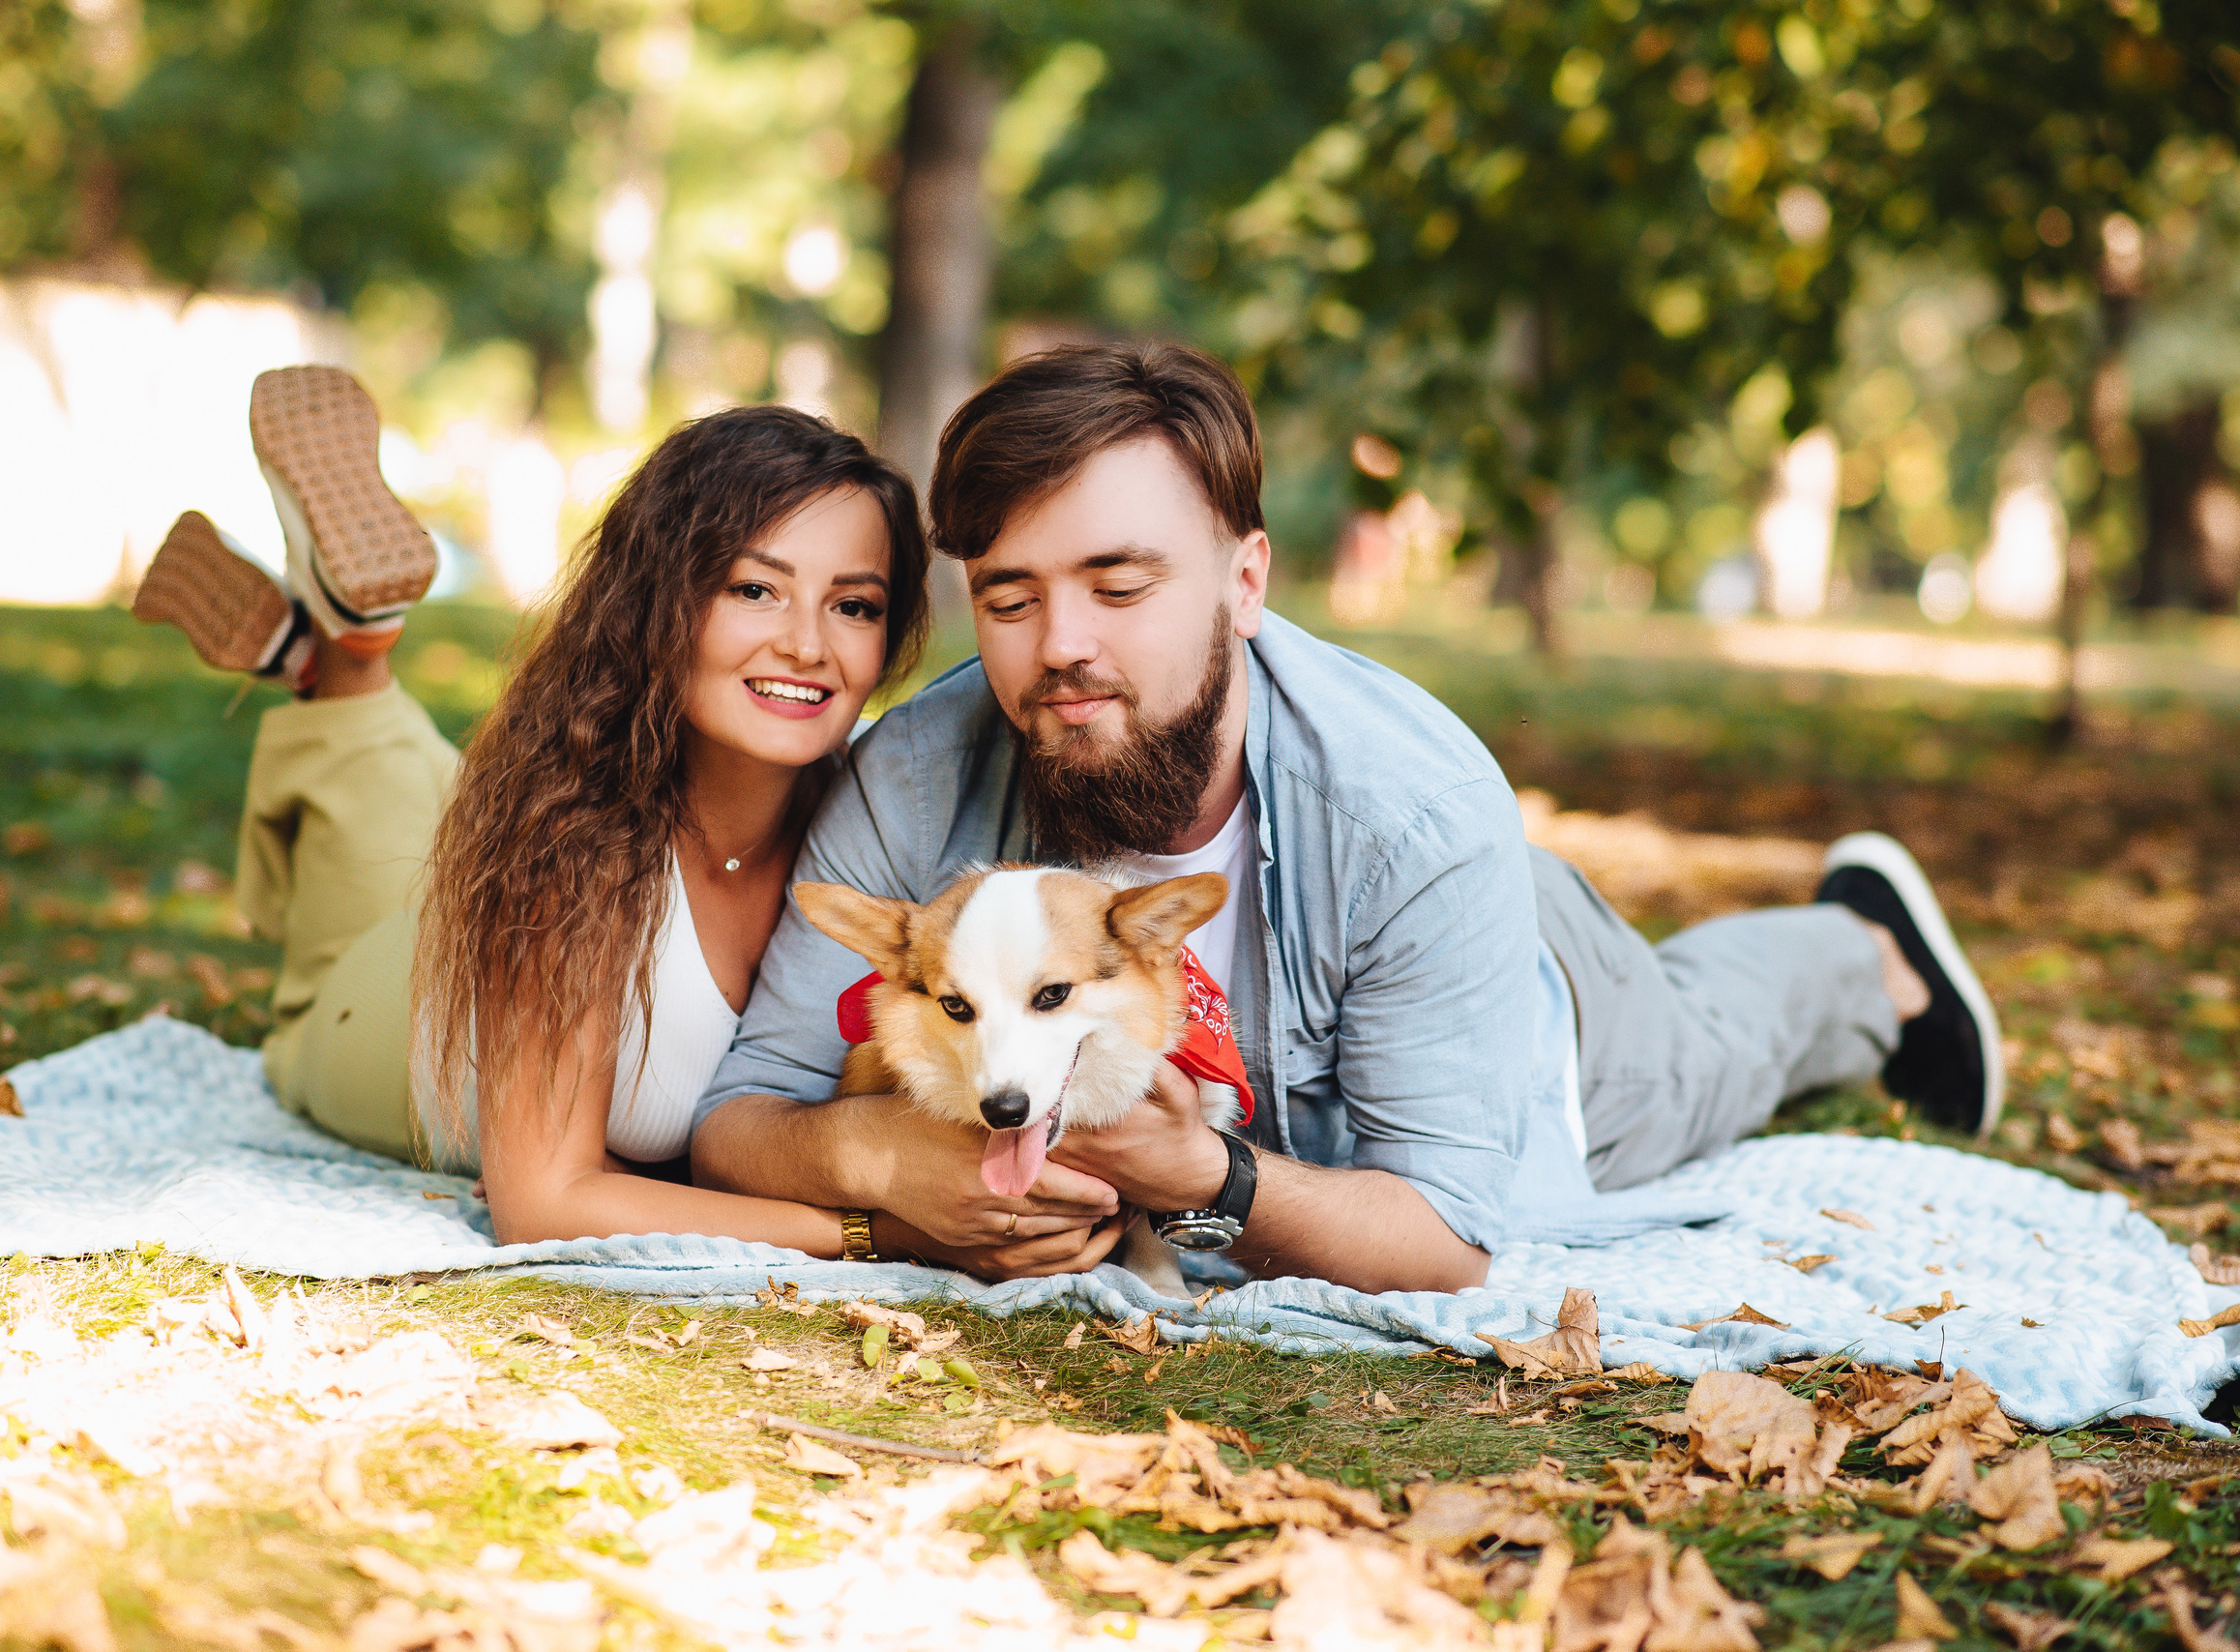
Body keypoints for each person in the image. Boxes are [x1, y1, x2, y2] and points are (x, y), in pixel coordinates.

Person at [690, 343, 2002, 1294]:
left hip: (1547, 1010)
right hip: (1408, 930)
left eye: (1120, 582)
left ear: (1244, 580)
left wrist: (1203, 1180)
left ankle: (1865, 948)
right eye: (1013, 597)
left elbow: (1446, 1240)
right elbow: (744, 1116)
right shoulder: (915, 774)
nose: (1061, 647)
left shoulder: (1418, 814)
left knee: (1706, 1052)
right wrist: (875, 1166)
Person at [133, 367, 949, 1258]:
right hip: (378, 1013)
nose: (808, 644)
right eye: (754, 589)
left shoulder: (887, 806)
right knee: (332, 943)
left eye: (854, 606)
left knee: (432, 805)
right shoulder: (573, 840)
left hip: (496, 887)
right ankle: (346, 662)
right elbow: (545, 1207)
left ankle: (317, 646)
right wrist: (874, 1232)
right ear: (658, 600)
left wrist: (650, 1187)